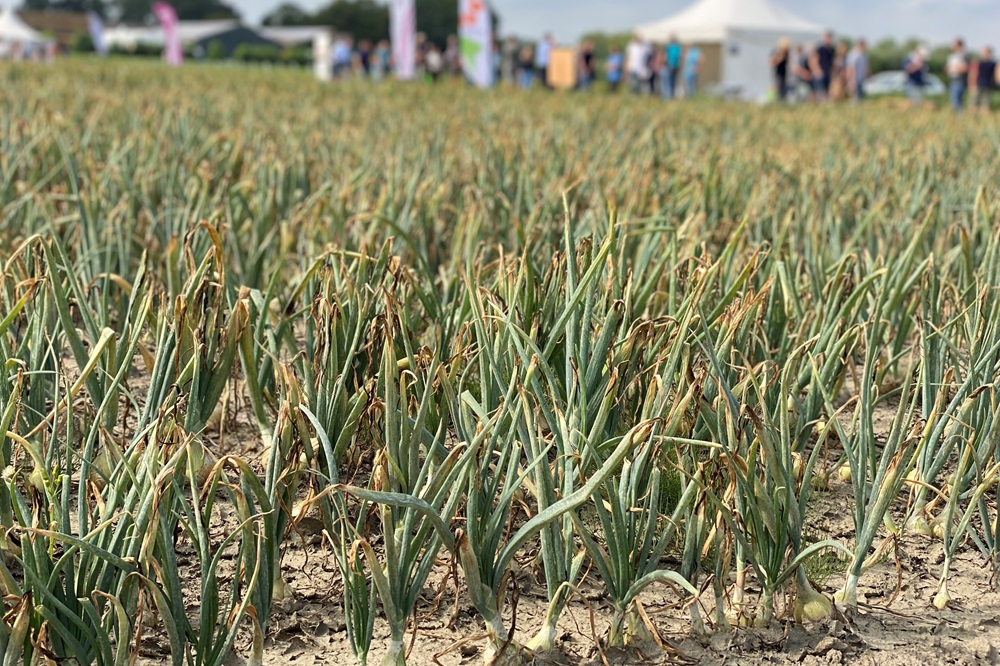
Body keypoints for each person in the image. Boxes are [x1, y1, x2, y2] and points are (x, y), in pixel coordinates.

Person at [970, 46, 998, 113]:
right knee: (974, 103)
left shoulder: (993, 63)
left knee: (985, 104)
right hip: (978, 85)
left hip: (988, 85)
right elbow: (973, 74)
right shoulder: (977, 62)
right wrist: (972, 85)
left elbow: (996, 75)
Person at [946, 38, 970, 112]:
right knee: (953, 101)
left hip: (959, 80)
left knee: (957, 102)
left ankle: (960, 118)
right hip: (952, 80)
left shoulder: (964, 56)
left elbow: (965, 69)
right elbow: (947, 68)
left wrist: (956, 67)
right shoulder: (952, 56)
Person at [812, 31, 836, 101]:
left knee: (827, 89)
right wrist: (817, 70)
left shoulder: (832, 49)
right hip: (820, 72)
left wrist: (833, 70)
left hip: (828, 72)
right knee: (819, 89)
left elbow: (833, 61)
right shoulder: (820, 49)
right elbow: (814, 60)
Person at [771, 38, 791, 102]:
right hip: (778, 73)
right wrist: (780, 58)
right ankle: (779, 100)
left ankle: (782, 99)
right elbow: (772, 63)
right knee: (778, 88)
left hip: (784, 73)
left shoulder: (787, 53)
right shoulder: (777, 52)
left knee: (783, 88)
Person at [663, 35, 682, 99]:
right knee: (671, 81)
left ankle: (670, 95)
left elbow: (679, 57)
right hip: (672, 66)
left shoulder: (672, 47)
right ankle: (670, 95)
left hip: (672, 66)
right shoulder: (675, 47)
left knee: (671, 81)